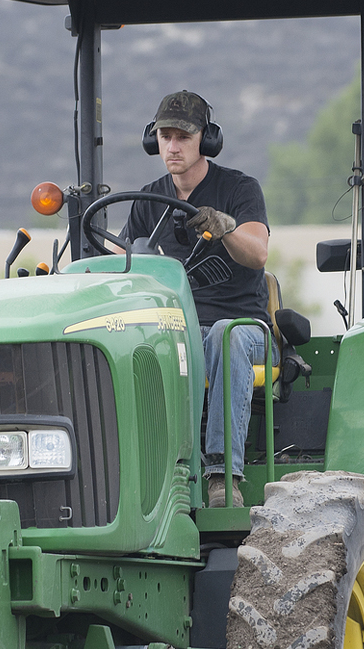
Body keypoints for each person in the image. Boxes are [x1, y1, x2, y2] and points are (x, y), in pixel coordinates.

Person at [120, 90, 271, 507]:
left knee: (226, 335)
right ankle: (134, 480)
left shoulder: (239, 189)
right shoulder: (149, 201)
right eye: (165, 136)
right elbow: (120, 262)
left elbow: (258, 253)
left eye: (182, 137)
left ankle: (223, 476)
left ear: (205, 139)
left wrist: (226, 229)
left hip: (244, 329)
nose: (172, 146)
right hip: (177, 328)